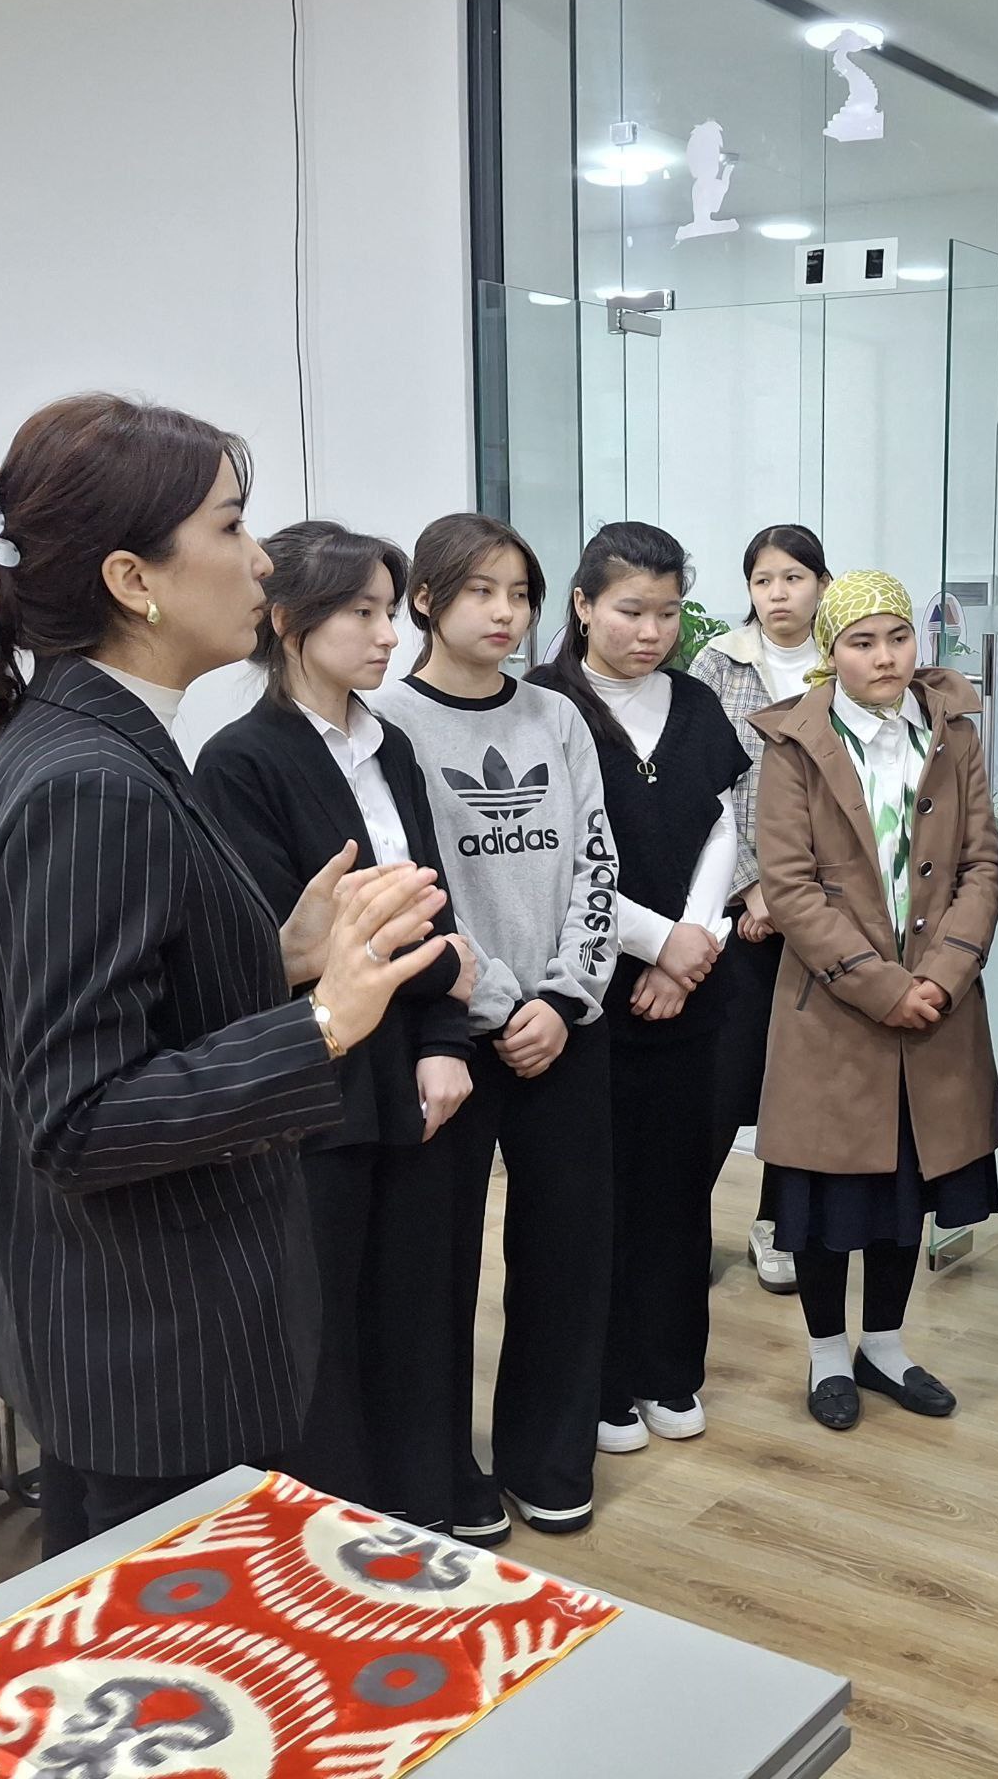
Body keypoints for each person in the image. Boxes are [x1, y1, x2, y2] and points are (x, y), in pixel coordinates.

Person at [0, 394, 451, 1557]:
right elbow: (81, 1118)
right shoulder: (92, 781)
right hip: (152, 1336)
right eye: (232, 528)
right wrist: (324, 1023)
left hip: (115, 1320)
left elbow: (117, 1002)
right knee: (171, 1648)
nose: (261, 562)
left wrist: (273, 955)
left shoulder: (86, 740)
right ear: (133, 580)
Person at [194, 520, 485, 1531]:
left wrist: (446, 1042)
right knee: (321, 1329)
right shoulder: (242, 762)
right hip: (320, 1082)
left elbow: (432, 908)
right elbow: (296, 952)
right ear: (287, 621)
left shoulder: (387, 743)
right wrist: (442, 970)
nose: (387, 635)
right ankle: (334, 1538)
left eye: (387, 611)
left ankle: (425, 1510)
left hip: (415, 1071)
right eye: (360, 613)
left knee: (420, 1307)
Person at [370, 514, 619, 1537]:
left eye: (519, 594)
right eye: (480, 591)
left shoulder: (556, 717)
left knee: (567, 1251)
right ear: (426, 600)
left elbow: (597, 864)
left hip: (565, 1026)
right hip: (448, 1034)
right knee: (433, 1268)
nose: (504, 613)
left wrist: (562, 998)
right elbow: (407, 884)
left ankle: (548, 1455)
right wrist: (498, 1002)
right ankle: (442, 1472)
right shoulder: (384, 722)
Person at [751, 572, 998, 1430]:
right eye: (862, 642)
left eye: (899, 637)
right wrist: (883, 986)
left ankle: (885, 1346)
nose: (885, 656)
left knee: (907, 1188)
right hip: (834, 1010)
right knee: (829, 1199)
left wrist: (942, 975)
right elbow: (789, 889)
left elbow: (982, 863)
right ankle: (828, 1354)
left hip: (937, 1006)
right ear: (832, 652)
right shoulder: (793, 744)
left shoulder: (952, 730)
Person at [530, 522, 750, 1454]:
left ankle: (670, 1368)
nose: (651, 632)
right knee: (599, 1198)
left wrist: (690, 947)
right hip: (588, 992)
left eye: (667, 612)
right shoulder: (543, 706)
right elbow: (553, 862)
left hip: (693, 992)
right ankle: (605, 1380)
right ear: (583, 605)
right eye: (630, 611)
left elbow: (723, 825)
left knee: (679, 1190)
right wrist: (659, 944)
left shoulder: (694, 701)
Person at [688, 524, 832, 1296]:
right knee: (725, 1069)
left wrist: (800, 895)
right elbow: (707, 785)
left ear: (821, 584)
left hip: (826, 905)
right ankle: (682, 1223)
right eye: (763, 580)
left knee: (800, 1075)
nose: (778, 593)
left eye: (794, 577)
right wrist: (753, 886)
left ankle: (778, 1221)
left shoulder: (844, 661)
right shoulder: (719, 662)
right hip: (740, 899)